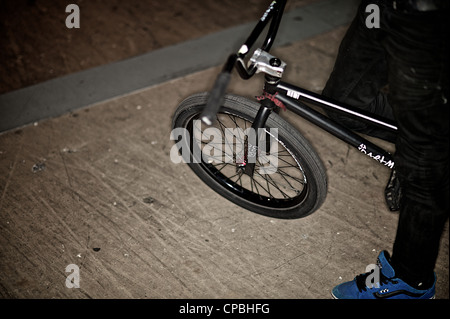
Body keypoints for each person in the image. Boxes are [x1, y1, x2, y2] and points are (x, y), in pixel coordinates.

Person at [321, 0, 449, 299]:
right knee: (345, 105)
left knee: (422, 168)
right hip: (380, 6)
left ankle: (411, 283)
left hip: (428, 23)